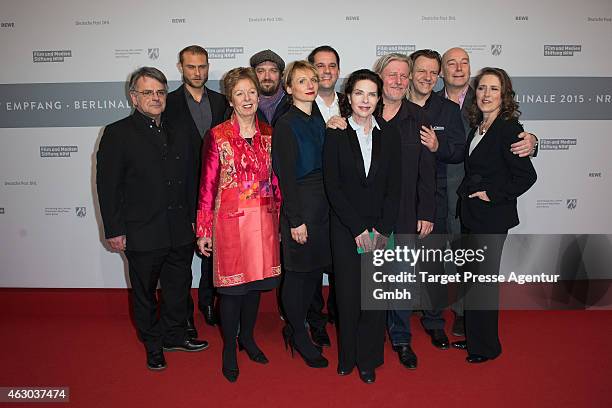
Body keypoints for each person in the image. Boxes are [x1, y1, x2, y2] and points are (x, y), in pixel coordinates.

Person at [96, 67, 208, 371]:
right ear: (134, 97)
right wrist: (115, 229)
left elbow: (192, 179)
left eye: (160, 92)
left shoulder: (181, 131)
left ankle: (174, 336)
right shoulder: (117, 133)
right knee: (144, 294)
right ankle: (153, 345)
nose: (156, 98)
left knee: (178, 288)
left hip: (179, 230)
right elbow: (108, 186)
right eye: (148, 92)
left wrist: (197, 220)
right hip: (141, 232)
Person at [438, 47, 539, 337]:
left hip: (488, 213)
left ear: (503, 93)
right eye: (483, 88)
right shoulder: (480, 120)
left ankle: (482, 342)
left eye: (493, 89)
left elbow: (522, 167)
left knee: (482, 280)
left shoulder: (504, 124)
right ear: (442, 71)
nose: (486, 93)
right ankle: (476, 337)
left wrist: (532, 140)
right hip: (464, 207)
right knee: (474, 277)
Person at [196, 67, 282, 382]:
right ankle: (229, 348)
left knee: (255, 286)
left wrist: (280, 218)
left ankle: (248, 338)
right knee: (232, 291)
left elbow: (275, 182)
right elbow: (207, 186)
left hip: (262, 222)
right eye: (240, 93)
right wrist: (203, 230)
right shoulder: (217, 135)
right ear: (231, 99)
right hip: (229, 223)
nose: (247, 99)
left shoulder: (270, 133)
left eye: (251, 92)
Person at [323, 69, 401, 383]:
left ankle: (368, 359)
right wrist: (357, 229)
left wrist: (381, 230)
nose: (365, 100)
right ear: (349, 97)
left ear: (379, 98)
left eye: (371, 94)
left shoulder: (390, 135)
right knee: (348, 297)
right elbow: (333, 186)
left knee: (375, 298)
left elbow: (395, 188)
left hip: (381, 229)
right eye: (359, 93)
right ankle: (347, 356)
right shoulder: (336, 132)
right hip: (346, 229)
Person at [372, 53, 436, 370]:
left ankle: (400, 338)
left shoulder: (419, 117)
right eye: (391, 75)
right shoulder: (362, 111)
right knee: (371, 277)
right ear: (379, 77)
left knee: (400, 279)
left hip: (406, 214)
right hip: (370, 216)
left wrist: (426, 211)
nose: (397, 81)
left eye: (403, 76)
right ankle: (369, 337)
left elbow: (427, 171)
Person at [164, 45, 229, 333]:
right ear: (181, 67)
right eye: (191, 67)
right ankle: (183, 316)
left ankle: (208, 303)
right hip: (179, 192)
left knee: (213, 254)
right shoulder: (167, 103)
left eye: (202, 66)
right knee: (179, 258)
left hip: (217, 191)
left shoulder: (222, 101)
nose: (197, 72)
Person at [272, 60, 331, 368]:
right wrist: (296, 220)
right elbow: (285, 177)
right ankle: (296, 333)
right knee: (297, 277)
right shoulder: (285, 124)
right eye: (301, 80)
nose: (310, 84)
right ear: (289, 88)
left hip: (323, 207)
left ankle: (303, 326)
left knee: (311, 277)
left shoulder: (319, 117)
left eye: (312, 78)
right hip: (301, 208)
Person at [406, 48, 466, 350]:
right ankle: (391, 321)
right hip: (399, 199)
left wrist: (438, 145)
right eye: (422, 71)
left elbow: (458, 151)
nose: (428, 77)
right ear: (410, 72)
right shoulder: (391, 104)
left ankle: (433, 321)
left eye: (433, 72)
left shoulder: (449, 109)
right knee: (395, 261)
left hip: (436, 197)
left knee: (432, 264)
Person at [304, 45, 343, 347]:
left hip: (348, 201)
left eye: (332, 65)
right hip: (314, 201)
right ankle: (315, 321)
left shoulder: (355, 102)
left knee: (347, 260)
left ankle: (343, 314)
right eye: (320, 66)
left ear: (339, 71)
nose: (326, 71)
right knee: (314, 264)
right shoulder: (300, 107)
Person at [250, 49, 291, 126]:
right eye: (261, 71)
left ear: (281, 75)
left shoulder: (294, 103)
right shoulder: (243, 104)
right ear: (252, 74)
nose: (267, 77)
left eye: (273, 71)